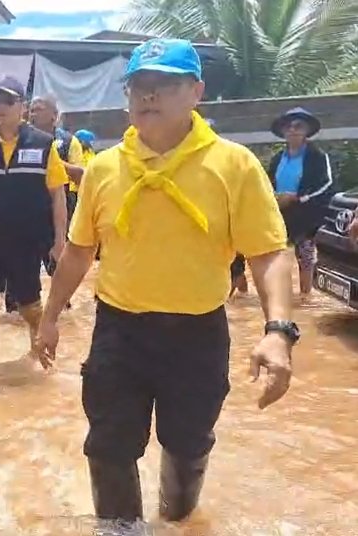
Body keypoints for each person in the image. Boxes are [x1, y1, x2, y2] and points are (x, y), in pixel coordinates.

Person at [37, 38, 297, 527]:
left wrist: (278, 330)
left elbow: (266, 253)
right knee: (109, 444)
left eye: (165, 84)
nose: (149, 96)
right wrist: (49, 318)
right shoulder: (104, 169)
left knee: (188, 443)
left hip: (197, 333)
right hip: (119, 330)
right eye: (140, 85)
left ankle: (176, 518)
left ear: (196, 92)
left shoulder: (233, 165)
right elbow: (77, 251)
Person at [0, 76, 70, 363]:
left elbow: (57, 196)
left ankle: (43, 364)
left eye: (8, 101)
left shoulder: (44, 145)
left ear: (23, 107)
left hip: (26, 242)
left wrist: (59, 241)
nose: (0, 107)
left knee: (30, 308)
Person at [268, 107, 336, 299]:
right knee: (275, 254)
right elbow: (266, 182)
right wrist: (274, 197)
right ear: (283, 131)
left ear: (306, 130)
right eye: (288, 126)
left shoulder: (318, 157)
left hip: (307, 214)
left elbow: (326, 184)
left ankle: (306, 297)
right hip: (280, 212)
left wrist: (298, 198)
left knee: (305, 257)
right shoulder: (277, 159)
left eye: (298, 126)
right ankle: (279, 296)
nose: (292, 130)